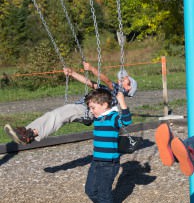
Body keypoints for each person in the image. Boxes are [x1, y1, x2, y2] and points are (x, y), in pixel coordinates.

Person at [3, 61, 137, 145]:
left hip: (86, 111)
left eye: (127, 80)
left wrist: (92, 69)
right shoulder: (110, 91)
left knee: (57, 116)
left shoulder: (118, 92)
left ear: (128, 88)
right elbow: (90, 83)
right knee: (54, 115)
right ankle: (27, 133)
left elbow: (107, 80)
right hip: (84, 108)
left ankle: (29, 134)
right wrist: (72, 73)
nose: (123, 79)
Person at [84, 87, 132, 203]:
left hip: (109, 163)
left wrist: (122, 101)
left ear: (104, 105)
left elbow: (127, 120)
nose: (91, 111)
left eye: (93, 107)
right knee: (90, 190)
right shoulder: (98, 118)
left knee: (104, 192)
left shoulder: (112, 117)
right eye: (90, 108)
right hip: (96, 161)